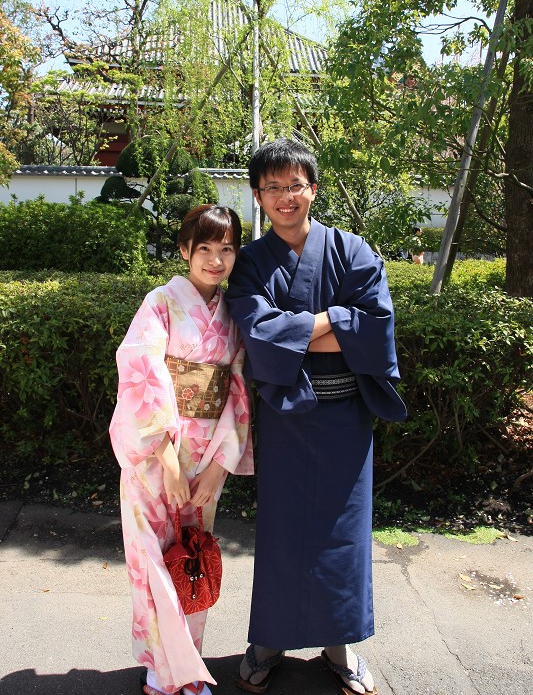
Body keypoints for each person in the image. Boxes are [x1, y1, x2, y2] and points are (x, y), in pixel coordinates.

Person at [225, 139, 407, 695]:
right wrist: (334, 324)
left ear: (313, 188)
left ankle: (340, 644)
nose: (285, 197)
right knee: (282, 533)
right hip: (285, 415)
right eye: (273, 187)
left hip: (345, 416)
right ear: (258, 194)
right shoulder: (251, 262)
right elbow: (258, 335)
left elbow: (374, 329)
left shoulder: (352, 250)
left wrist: (300, 329)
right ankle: (270, 640)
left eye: (295, 185)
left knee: (343, 534)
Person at [109, 205, 253, 695]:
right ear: (184, 251)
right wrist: (168, 460)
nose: (216, 259)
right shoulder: (160, 303)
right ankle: (160, 669)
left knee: (192, 557)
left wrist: (218, 469)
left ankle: (188, 666)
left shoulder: (234, 313)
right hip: (156, 459)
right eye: (205, 248)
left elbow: (237, 392)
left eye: (227, 248)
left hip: (206, 456)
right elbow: (139, 372)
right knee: (152, 559)